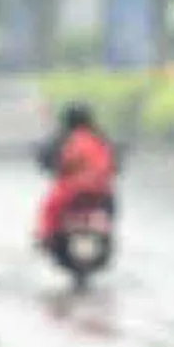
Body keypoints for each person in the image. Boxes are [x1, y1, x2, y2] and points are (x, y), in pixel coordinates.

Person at [36, 102, 117, 246]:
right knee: (111, 205)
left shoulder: (66, 138)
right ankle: (109, 233)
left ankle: (46, 237)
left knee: (50, 208)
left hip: (72, 189)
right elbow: (114, 163)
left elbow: (48, 159)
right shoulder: (100, 137)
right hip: (101, 189)